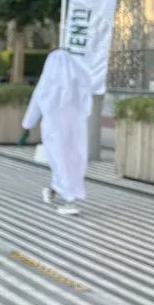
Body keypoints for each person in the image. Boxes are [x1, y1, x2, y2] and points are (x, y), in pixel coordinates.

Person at [22, 50, 93, 215]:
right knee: (70, 160)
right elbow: (87, 104)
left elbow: (35, 103)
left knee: (60, 159)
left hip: (54, 128)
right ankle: (66, 195)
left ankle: (62, 194)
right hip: (75, 127)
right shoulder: (79, 82)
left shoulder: (48, 82)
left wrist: (27, 125)